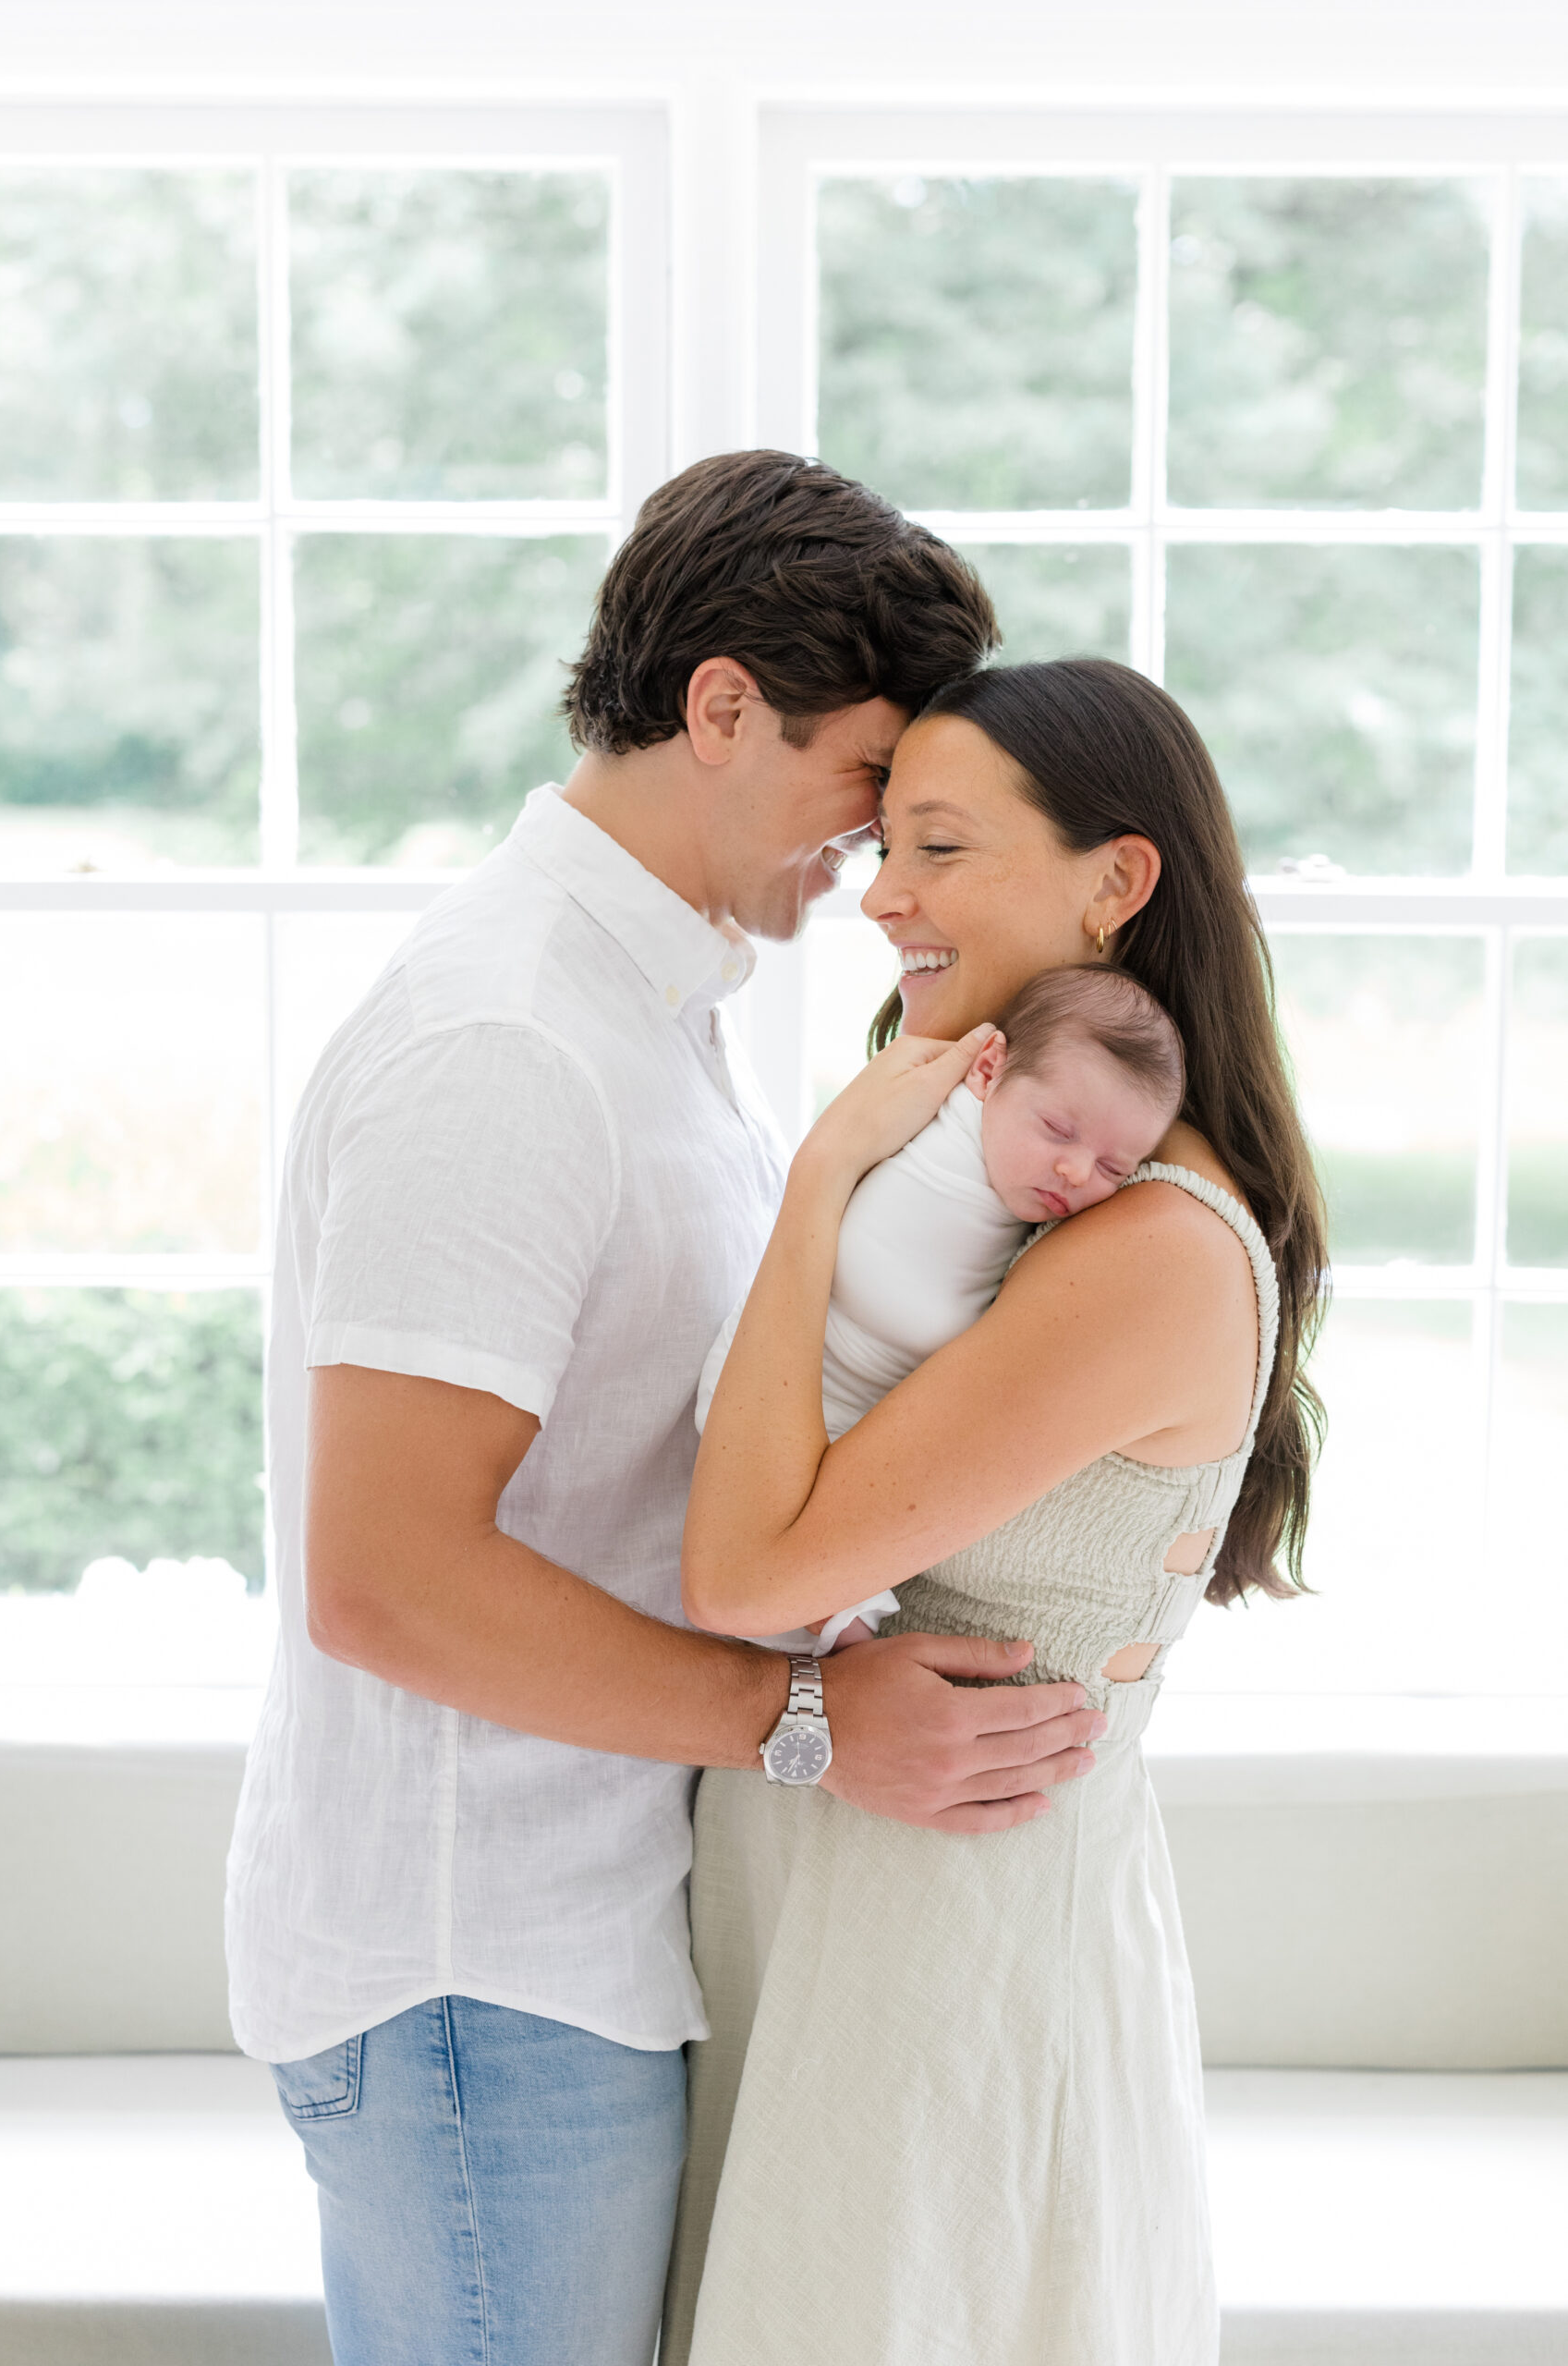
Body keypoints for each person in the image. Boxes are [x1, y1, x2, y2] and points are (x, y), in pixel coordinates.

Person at [223, 453, 1106, 2366]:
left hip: (566, 1950)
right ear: (718, 707)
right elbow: (380, 1577)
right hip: (474, 1982)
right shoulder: (510, 1043)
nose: (872, 869)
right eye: (858, 791)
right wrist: (806, 1724)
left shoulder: (646, 1022)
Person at [663, 658, 1328, 2366]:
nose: (881, 894)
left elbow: (745, 1569)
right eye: (885, 842)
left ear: (1115, 882)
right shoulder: (1014, 1196)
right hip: (849, 1919)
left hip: (934, 1959)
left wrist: (815, 1175)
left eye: (939, 846)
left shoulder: (1143, 1249)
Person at [698, 964, 1187, 1653]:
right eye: (1056, 1129)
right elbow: (879, 1280)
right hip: (781, 1396)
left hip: (837, 1429)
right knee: (831, 1623)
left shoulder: (1035, 1197)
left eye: (1114, 1168)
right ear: (988, 1070)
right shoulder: (939, 1115)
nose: (1077, 1172)